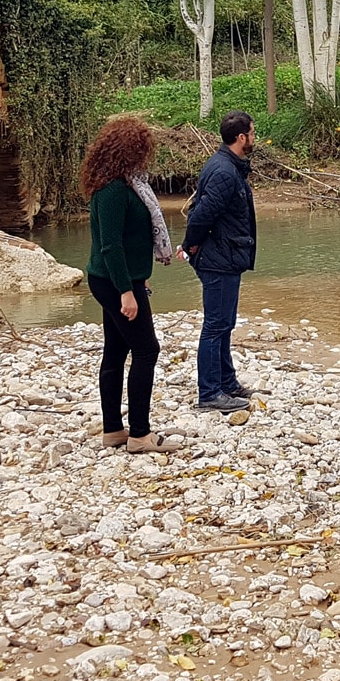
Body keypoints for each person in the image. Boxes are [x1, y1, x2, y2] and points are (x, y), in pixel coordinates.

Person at [81, 113, 177, 453]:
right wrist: (126, 291)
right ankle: (139, 434)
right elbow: (110, 245)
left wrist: (140, 274)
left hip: (123, 278)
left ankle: (113, 430)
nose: (145, 155)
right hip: (112, 282)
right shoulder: (111, 191)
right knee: (147, 349)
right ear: (129, 151)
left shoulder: (129, 184)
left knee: (116, 350)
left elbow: (131, 239)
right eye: (141, 149)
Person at [180, 109, 258, 412]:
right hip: (219, 258)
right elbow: (199, 215)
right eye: (252, 133)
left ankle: (227, 382)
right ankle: (210, 393)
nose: (254, 137)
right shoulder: (225, 172)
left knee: (224, 323)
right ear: (241, 138)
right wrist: (191, 247)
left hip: (223, 255)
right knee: (216, 326)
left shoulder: (227, 165)